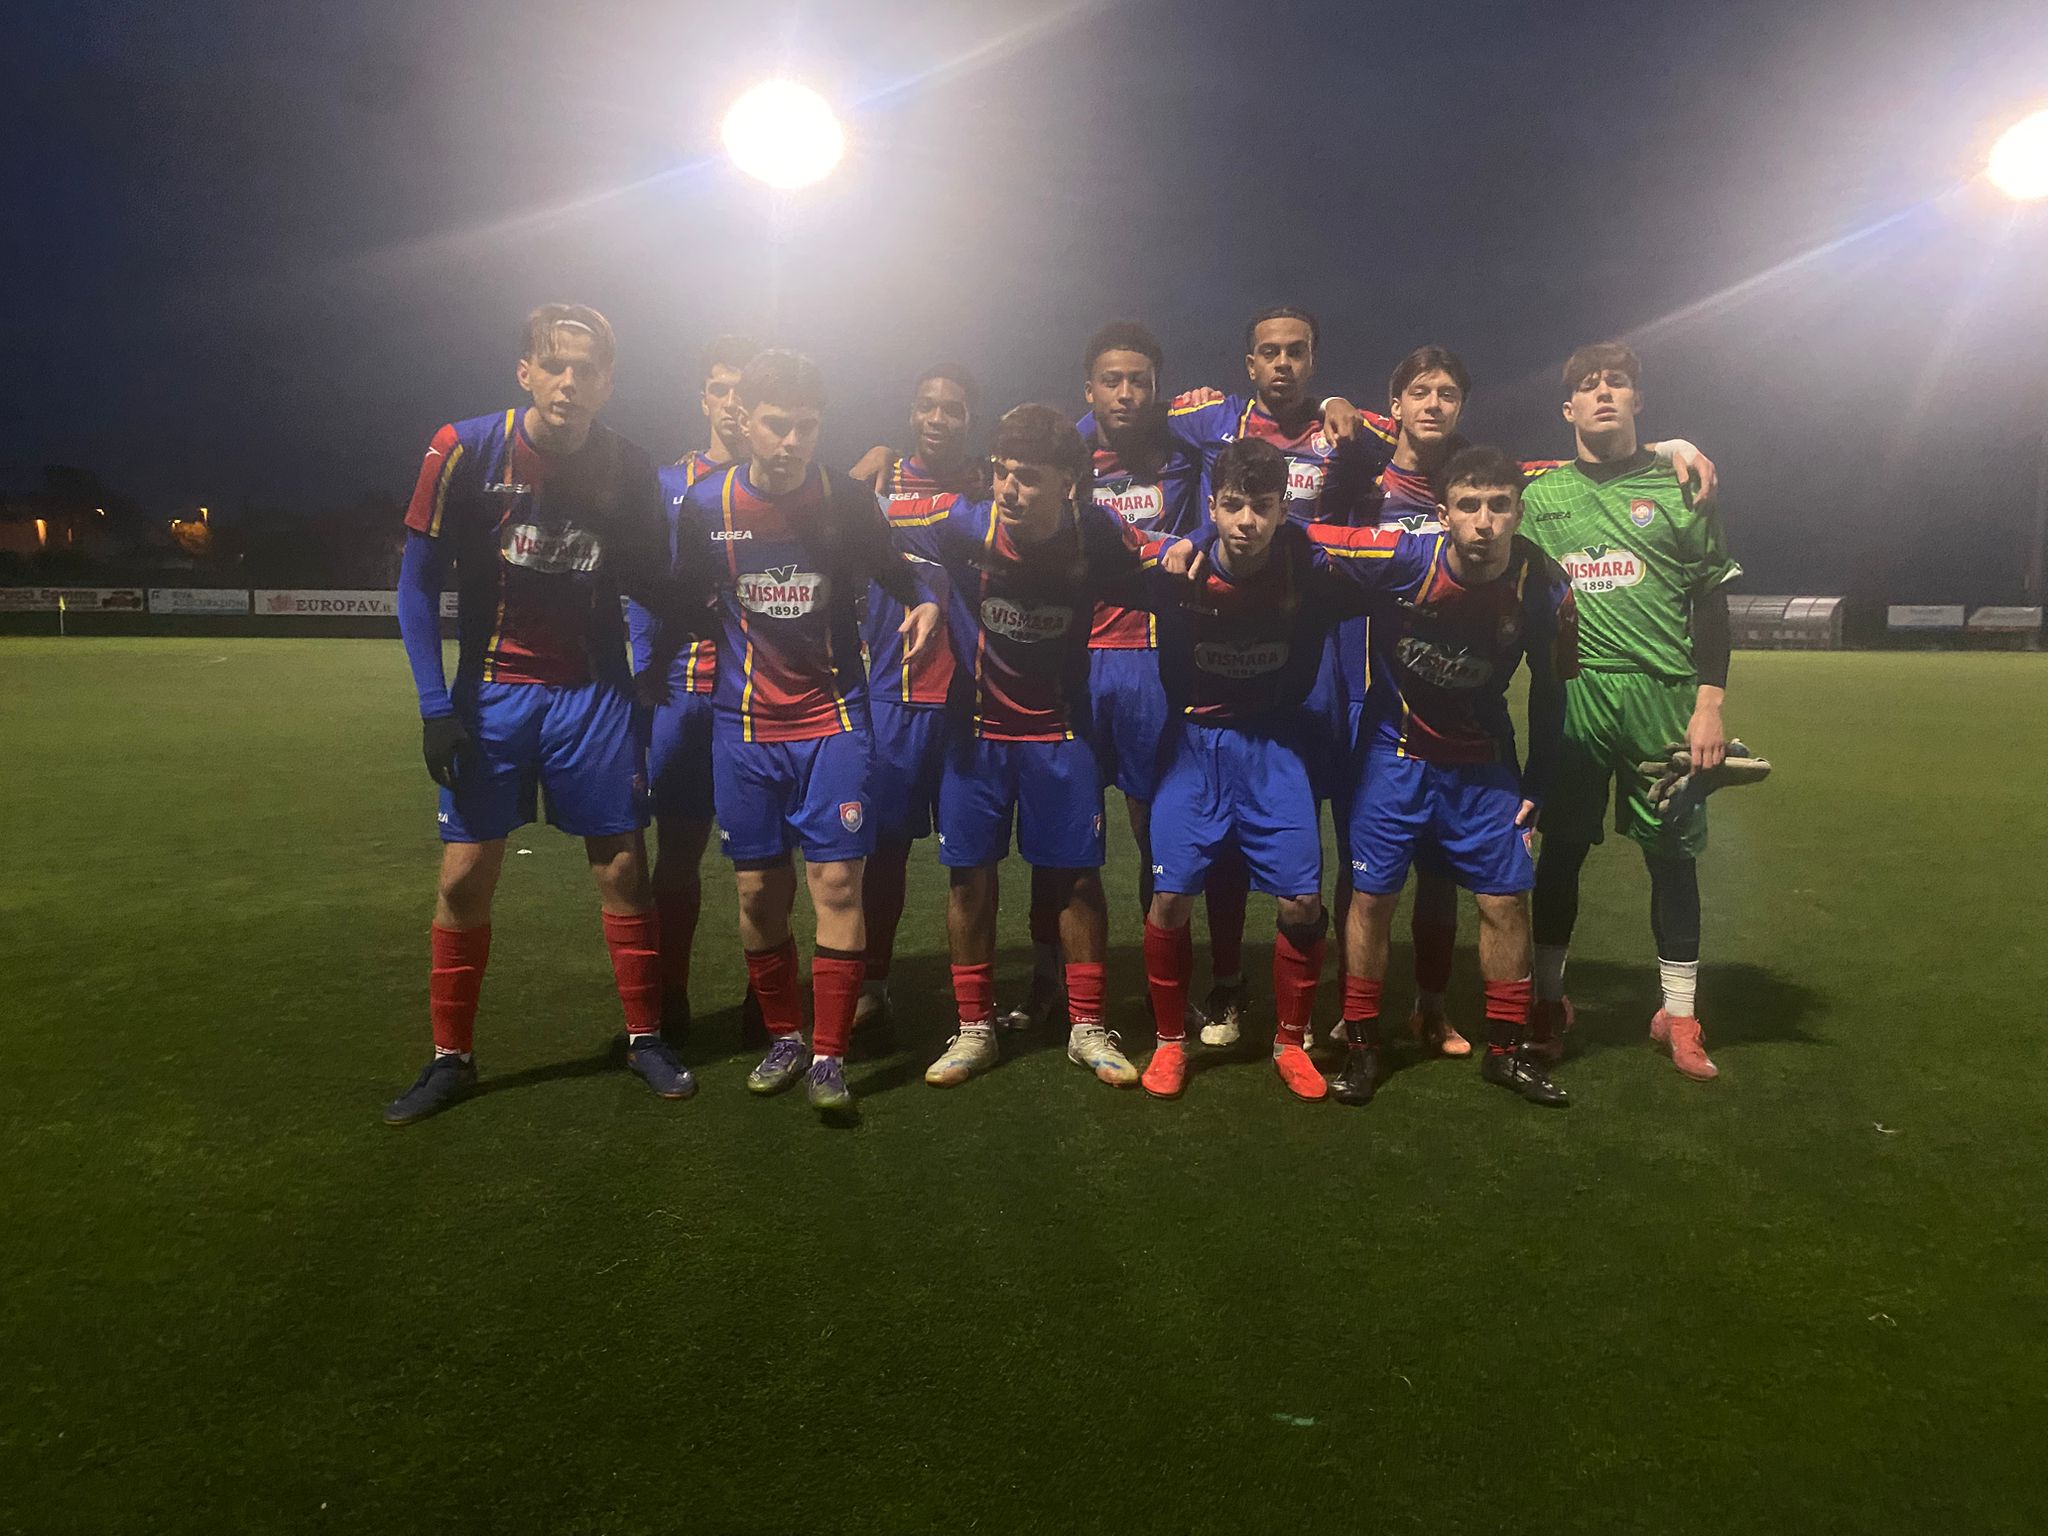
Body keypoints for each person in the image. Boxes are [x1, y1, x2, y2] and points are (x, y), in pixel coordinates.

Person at [1327, 347, 1718, 1058]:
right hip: (1370, 697)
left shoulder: (1498, 480)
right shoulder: (1365, 475)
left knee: (1449, 877)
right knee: (1367, 876)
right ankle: (1351, 1018)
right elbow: (1305, 528)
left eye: (1449, 393)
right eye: (1421, 392)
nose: (1435, 404)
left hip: (1469, 712)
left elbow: (1586, 461)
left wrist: (1667, 446)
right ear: (1396, 405)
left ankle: (1433, 1007)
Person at [385, 304, 704, 1125]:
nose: (570, 382)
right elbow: (417, 582)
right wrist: (433, 705)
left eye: (586, 368)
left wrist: (700, 617)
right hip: (490, 695)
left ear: (608, 381)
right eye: (554, 365)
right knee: (464, 874)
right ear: (525, 371)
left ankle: (644, 1039)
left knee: (623, 869)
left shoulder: (626, 465)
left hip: (592, 696)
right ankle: (450, 1058)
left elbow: (650, 578)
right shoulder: (463, 449)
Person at [668, 349, 940, 1116]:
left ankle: (829, 1055)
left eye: (807, 427)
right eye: (777, 424)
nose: (791, 441)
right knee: (758, 893)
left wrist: (924, 600)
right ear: (745, 420)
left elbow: (896, 568)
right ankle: (785, 1036)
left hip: (834, 720)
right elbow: (683, 595)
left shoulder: (844, 500)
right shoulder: (706, 505)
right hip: (744, 725)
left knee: (837, 884)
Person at [885, 404, 1157, 1091]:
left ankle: (1087, 1027)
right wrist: (923, 594)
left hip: (1061, 733)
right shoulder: (962, 522)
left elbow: (1161, 555)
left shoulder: (1094, 531)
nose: (1009, 489)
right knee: (969, 879)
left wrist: (1193, 548)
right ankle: (974, 1028)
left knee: (1078, 880)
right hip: (977, 732)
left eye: (1028, 477)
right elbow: (878, 535)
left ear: (1068, 482)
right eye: (1003, 472)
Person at [1316, 446, 1580, 1109]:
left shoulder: (1544, 586)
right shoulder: (1402, 559)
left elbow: (1552, 691)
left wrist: (1537, 785)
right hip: (1394, 754)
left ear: (1519, 513)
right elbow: (1299, 537)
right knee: (1371, 898)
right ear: (1443, 514)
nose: (1484, 522)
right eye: (1469, 506)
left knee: (1505, 902)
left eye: (1499, 506)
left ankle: (1507, 1053)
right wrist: (1198, 538)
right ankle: (1363, 1047)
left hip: (1483, 762)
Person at [1164, 307, 1397, 1044]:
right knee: (1226, 837)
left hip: (1319, 651)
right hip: (1235, 631)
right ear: (1250, 363)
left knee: (1328, 819)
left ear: (1314, 360)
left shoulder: (1343, 428)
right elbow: (1117, 419)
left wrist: (1345, 408)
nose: (1284, 363)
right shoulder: (1215, 419)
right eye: (1270, 352)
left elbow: (1419, 439)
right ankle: (1230, 984)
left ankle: (1339, 991)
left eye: (1297, 351)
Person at [1516, 342, 1742, 1081]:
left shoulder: (1681, 486)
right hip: (1574, 696)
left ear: (1638, 400)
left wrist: (1709, 704)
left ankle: (1679, 1014)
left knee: (1672, 858)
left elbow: (1712, 601)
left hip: (1664, 697)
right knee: (1562, 852)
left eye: (1618, 383)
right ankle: (1549, 1002)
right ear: (1568, 409)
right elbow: (1457, 481)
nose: (1604, 393)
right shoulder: (1539, 495)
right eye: (1589, 386)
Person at [1134, 438, 1365, 1102]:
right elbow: (1092, 563)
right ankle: (1171, 1043)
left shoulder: (1309, 572)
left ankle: (1291, 1042)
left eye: (1262, 507)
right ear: (1212, 506)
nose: (1246, 522)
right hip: (1193, 743)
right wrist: (1178, 543)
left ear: (1282, 510)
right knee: (1170, 898)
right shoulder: (1176, 574)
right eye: (1233, 506)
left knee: (1301, 901)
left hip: (1273, 744)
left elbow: (1390, 574)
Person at [630, 333, 758, 1040]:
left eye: (745, 389)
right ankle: (669, 996)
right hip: (683, 694)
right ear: (702, 399)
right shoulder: (666, 485)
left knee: (761, 859)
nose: (733, 402)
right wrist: (645, 674)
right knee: (676, 852)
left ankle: (764, 999)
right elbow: (645, 589)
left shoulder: (785, 485)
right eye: (720, 389)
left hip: (761, 698)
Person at [850, 365, 982, 1031]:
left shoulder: (990, 486)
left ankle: (977, 1006)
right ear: (911, 412)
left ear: (969, 418)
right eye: (928, 405)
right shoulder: (879, 484)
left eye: (952, 409)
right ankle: (872, 985)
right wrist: (864, 463)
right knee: (885, 853)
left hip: (972, 703)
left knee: (972, 861)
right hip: (894, 697)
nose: (938, 418)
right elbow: (815, 504)